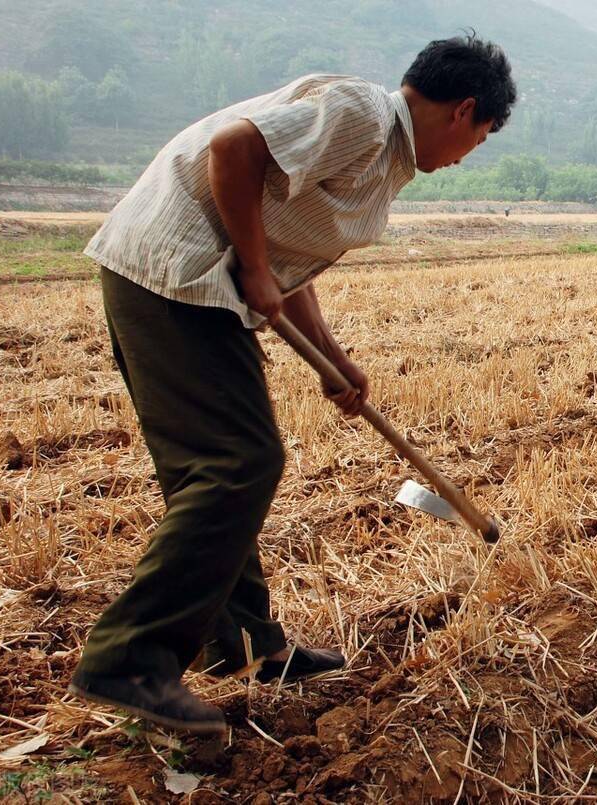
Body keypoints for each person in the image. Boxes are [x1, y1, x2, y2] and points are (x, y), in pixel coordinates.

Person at [67, 35, 517, 734]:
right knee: (237, 461)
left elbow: (286, 263)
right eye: (480, 139)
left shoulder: (384, 162)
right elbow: (232, 151)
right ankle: (128, 658)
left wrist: (332, 360)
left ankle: (243, 642)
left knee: (229, 464)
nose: (466, 155)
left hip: (204, 285)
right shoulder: (363, 115)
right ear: (463, 111)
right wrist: (250, 266)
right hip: (171, 271)